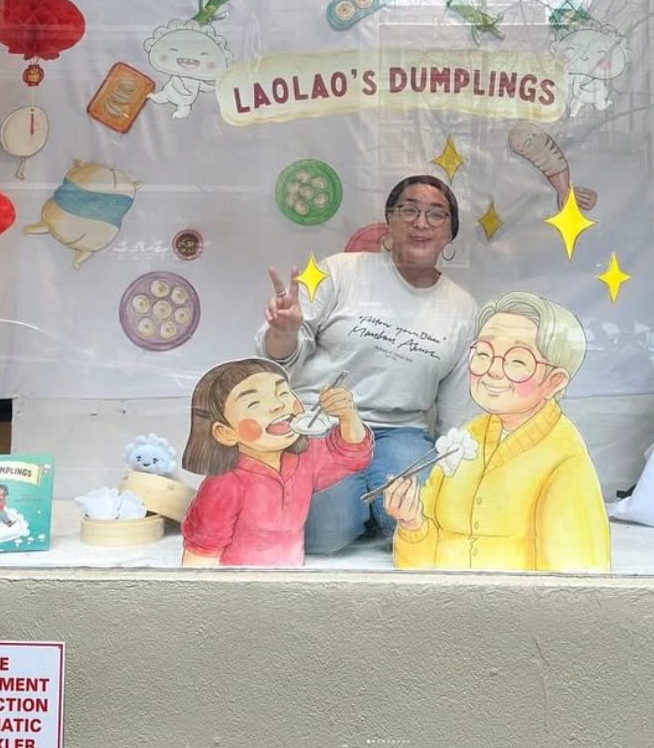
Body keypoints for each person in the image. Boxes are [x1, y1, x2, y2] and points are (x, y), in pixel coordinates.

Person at [258, 175, 477, 554]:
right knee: (323, 536)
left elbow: (457, 410)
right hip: (322, 422)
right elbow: (277, 358)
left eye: (436, 214)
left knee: (415, 521)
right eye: (408, 210)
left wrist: (454, 469)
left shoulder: (463, 308)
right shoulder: (341, 271)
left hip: (402, 432)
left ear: (450, 233)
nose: (421, 222)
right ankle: (354, 505)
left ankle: (373, 507)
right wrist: (285, 330)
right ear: (389, 221)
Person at [384, 291, 611, 572]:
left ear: (554, 382)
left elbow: (574, 583)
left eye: (517, 361)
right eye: (483, 353)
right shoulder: (466, 439)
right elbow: (422, 564)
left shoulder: (565, 462)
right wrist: (412, 522)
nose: (492, 370)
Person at [179, 357, 371, 567]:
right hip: (239, 594)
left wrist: (348, 416)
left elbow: (351, 456)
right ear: (225, 433)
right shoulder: (223, 485)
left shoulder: (306, 459)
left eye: (283, 393)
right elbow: (199, 562)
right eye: (255, 403)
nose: (278, 406)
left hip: (289, 586)